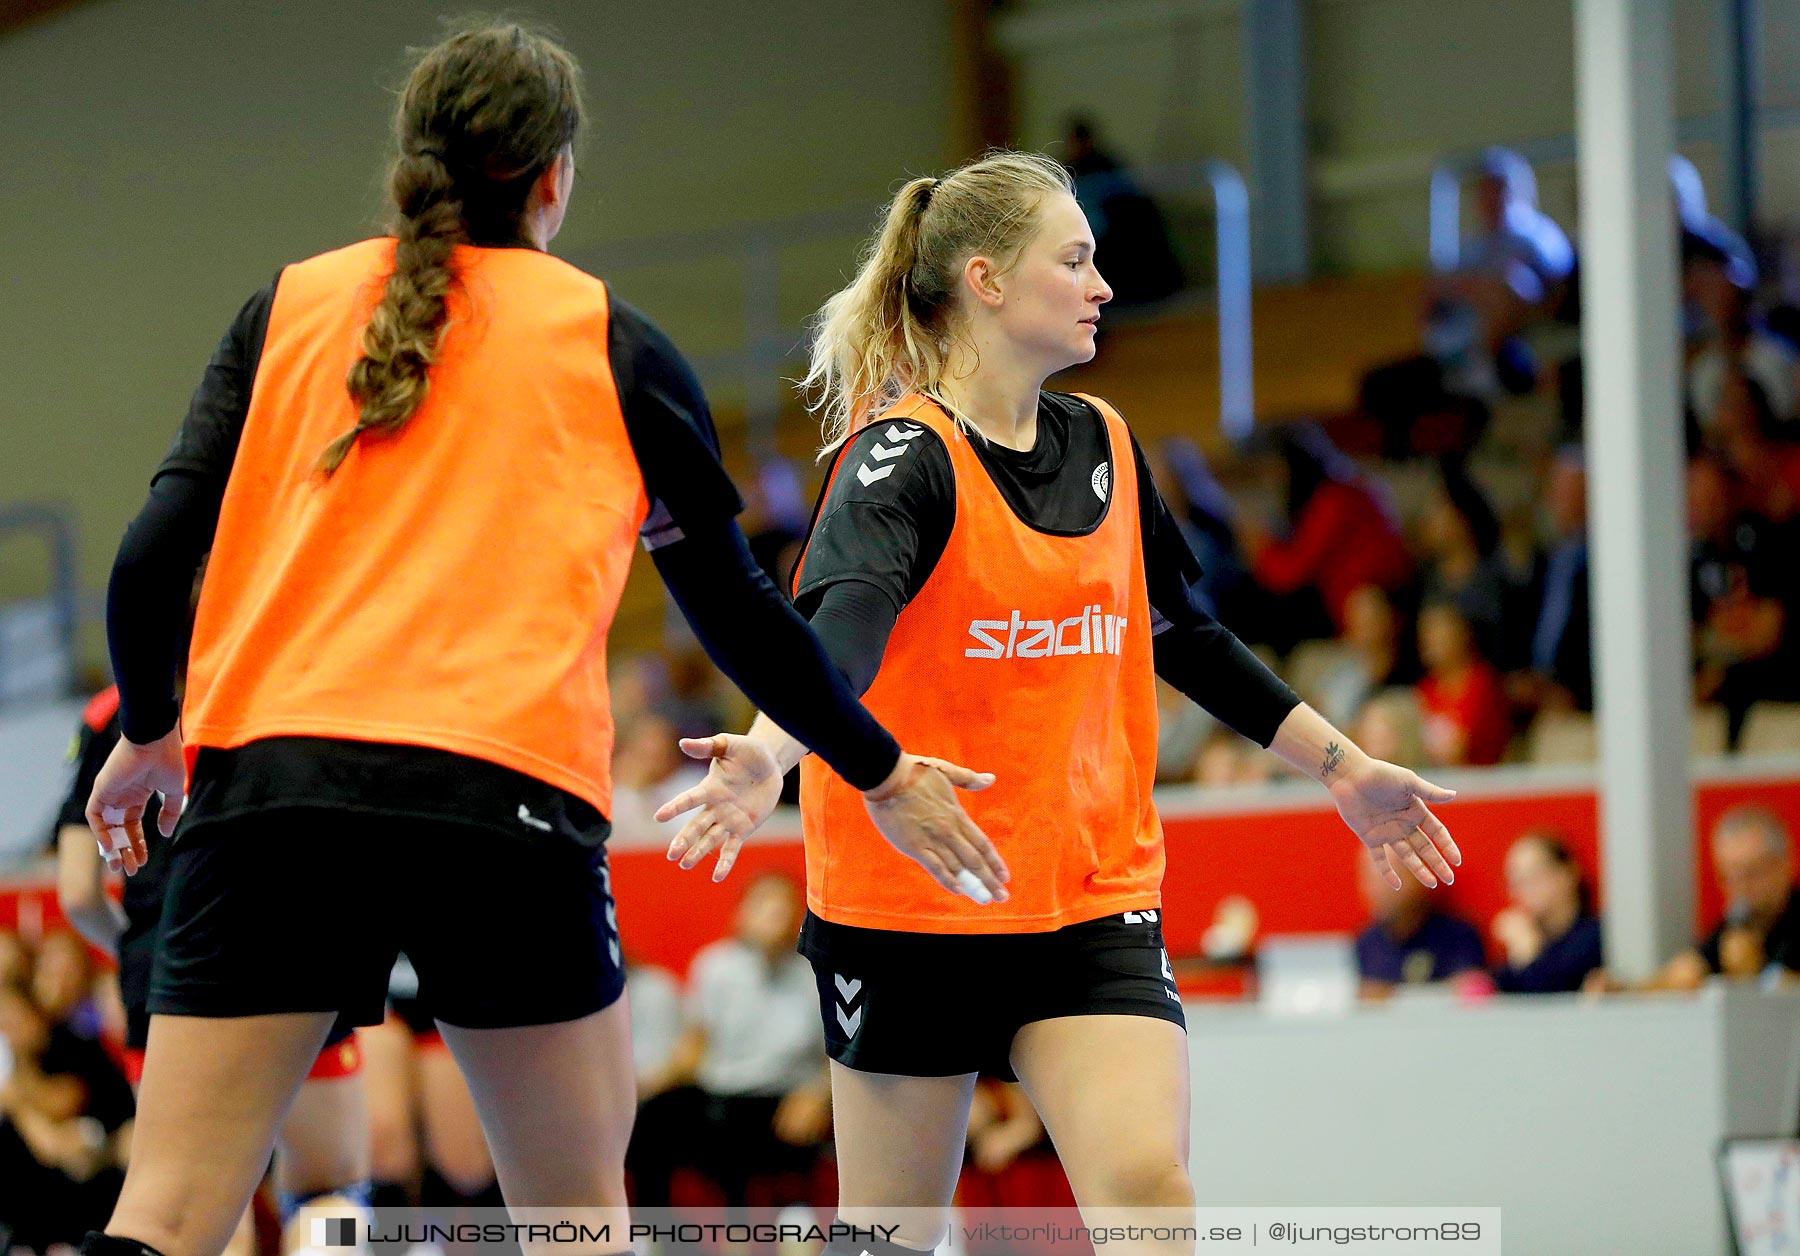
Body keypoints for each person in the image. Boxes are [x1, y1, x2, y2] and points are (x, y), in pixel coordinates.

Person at [77, 23, 999, 1256]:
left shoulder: (284, 310)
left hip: (273, 790)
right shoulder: (614, 346)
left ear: (414, 163)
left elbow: (147, 560)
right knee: (574, 1225)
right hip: (499, 804)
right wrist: (876, 768)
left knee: (168, 1215)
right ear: (554, 176)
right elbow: (739, 614)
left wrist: (147, 731)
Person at [657, 150, 1461, 1252]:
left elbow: (1185, 633)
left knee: (1148, 1186)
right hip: (912, 904)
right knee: (886, 1232)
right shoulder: (899, 462)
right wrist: (768, 751)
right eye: (1075, 259)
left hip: (1087, 897)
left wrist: (1346, 769)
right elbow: (832, 651)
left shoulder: (1108, 445)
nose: (1104, 285)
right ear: (987, 280)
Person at [1625, 805, 1799, 990]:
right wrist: (1623, 991)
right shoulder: (1736, 925)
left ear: (1785, 864)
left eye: (1752, 872)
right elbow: (1688, 970)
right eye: (1729, 876)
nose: (1742, 887)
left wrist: (1759, 974)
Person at [1353, 852, 1485, 994]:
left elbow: (1471, 995)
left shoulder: (1459, 937)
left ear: (1418, 876)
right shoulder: (1366, 943)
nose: (1377, 890)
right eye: (1370, 879)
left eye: (1386, 878)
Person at [1490, 832, 1603, 994]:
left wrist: (1528, 954)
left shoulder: (1596, 938)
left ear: (1567, 873)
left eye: (1533, 876)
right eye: (1516, 880)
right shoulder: (1528, 936)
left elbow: (1552, 1002)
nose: (1525, 890)